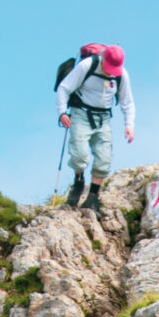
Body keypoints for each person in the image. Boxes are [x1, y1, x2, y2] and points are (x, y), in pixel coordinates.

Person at [56, 44, 135, 214]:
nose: (111, 72)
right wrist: (62, 112)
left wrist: (129, 125)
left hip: (103, 119)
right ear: (103, 58)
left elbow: (127, 102)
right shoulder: (87, 66)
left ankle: (92, 197)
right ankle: (78, 183)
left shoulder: (121, 75)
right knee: (80, 155)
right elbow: (64, 88)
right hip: (80, 114)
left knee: (104, 158)